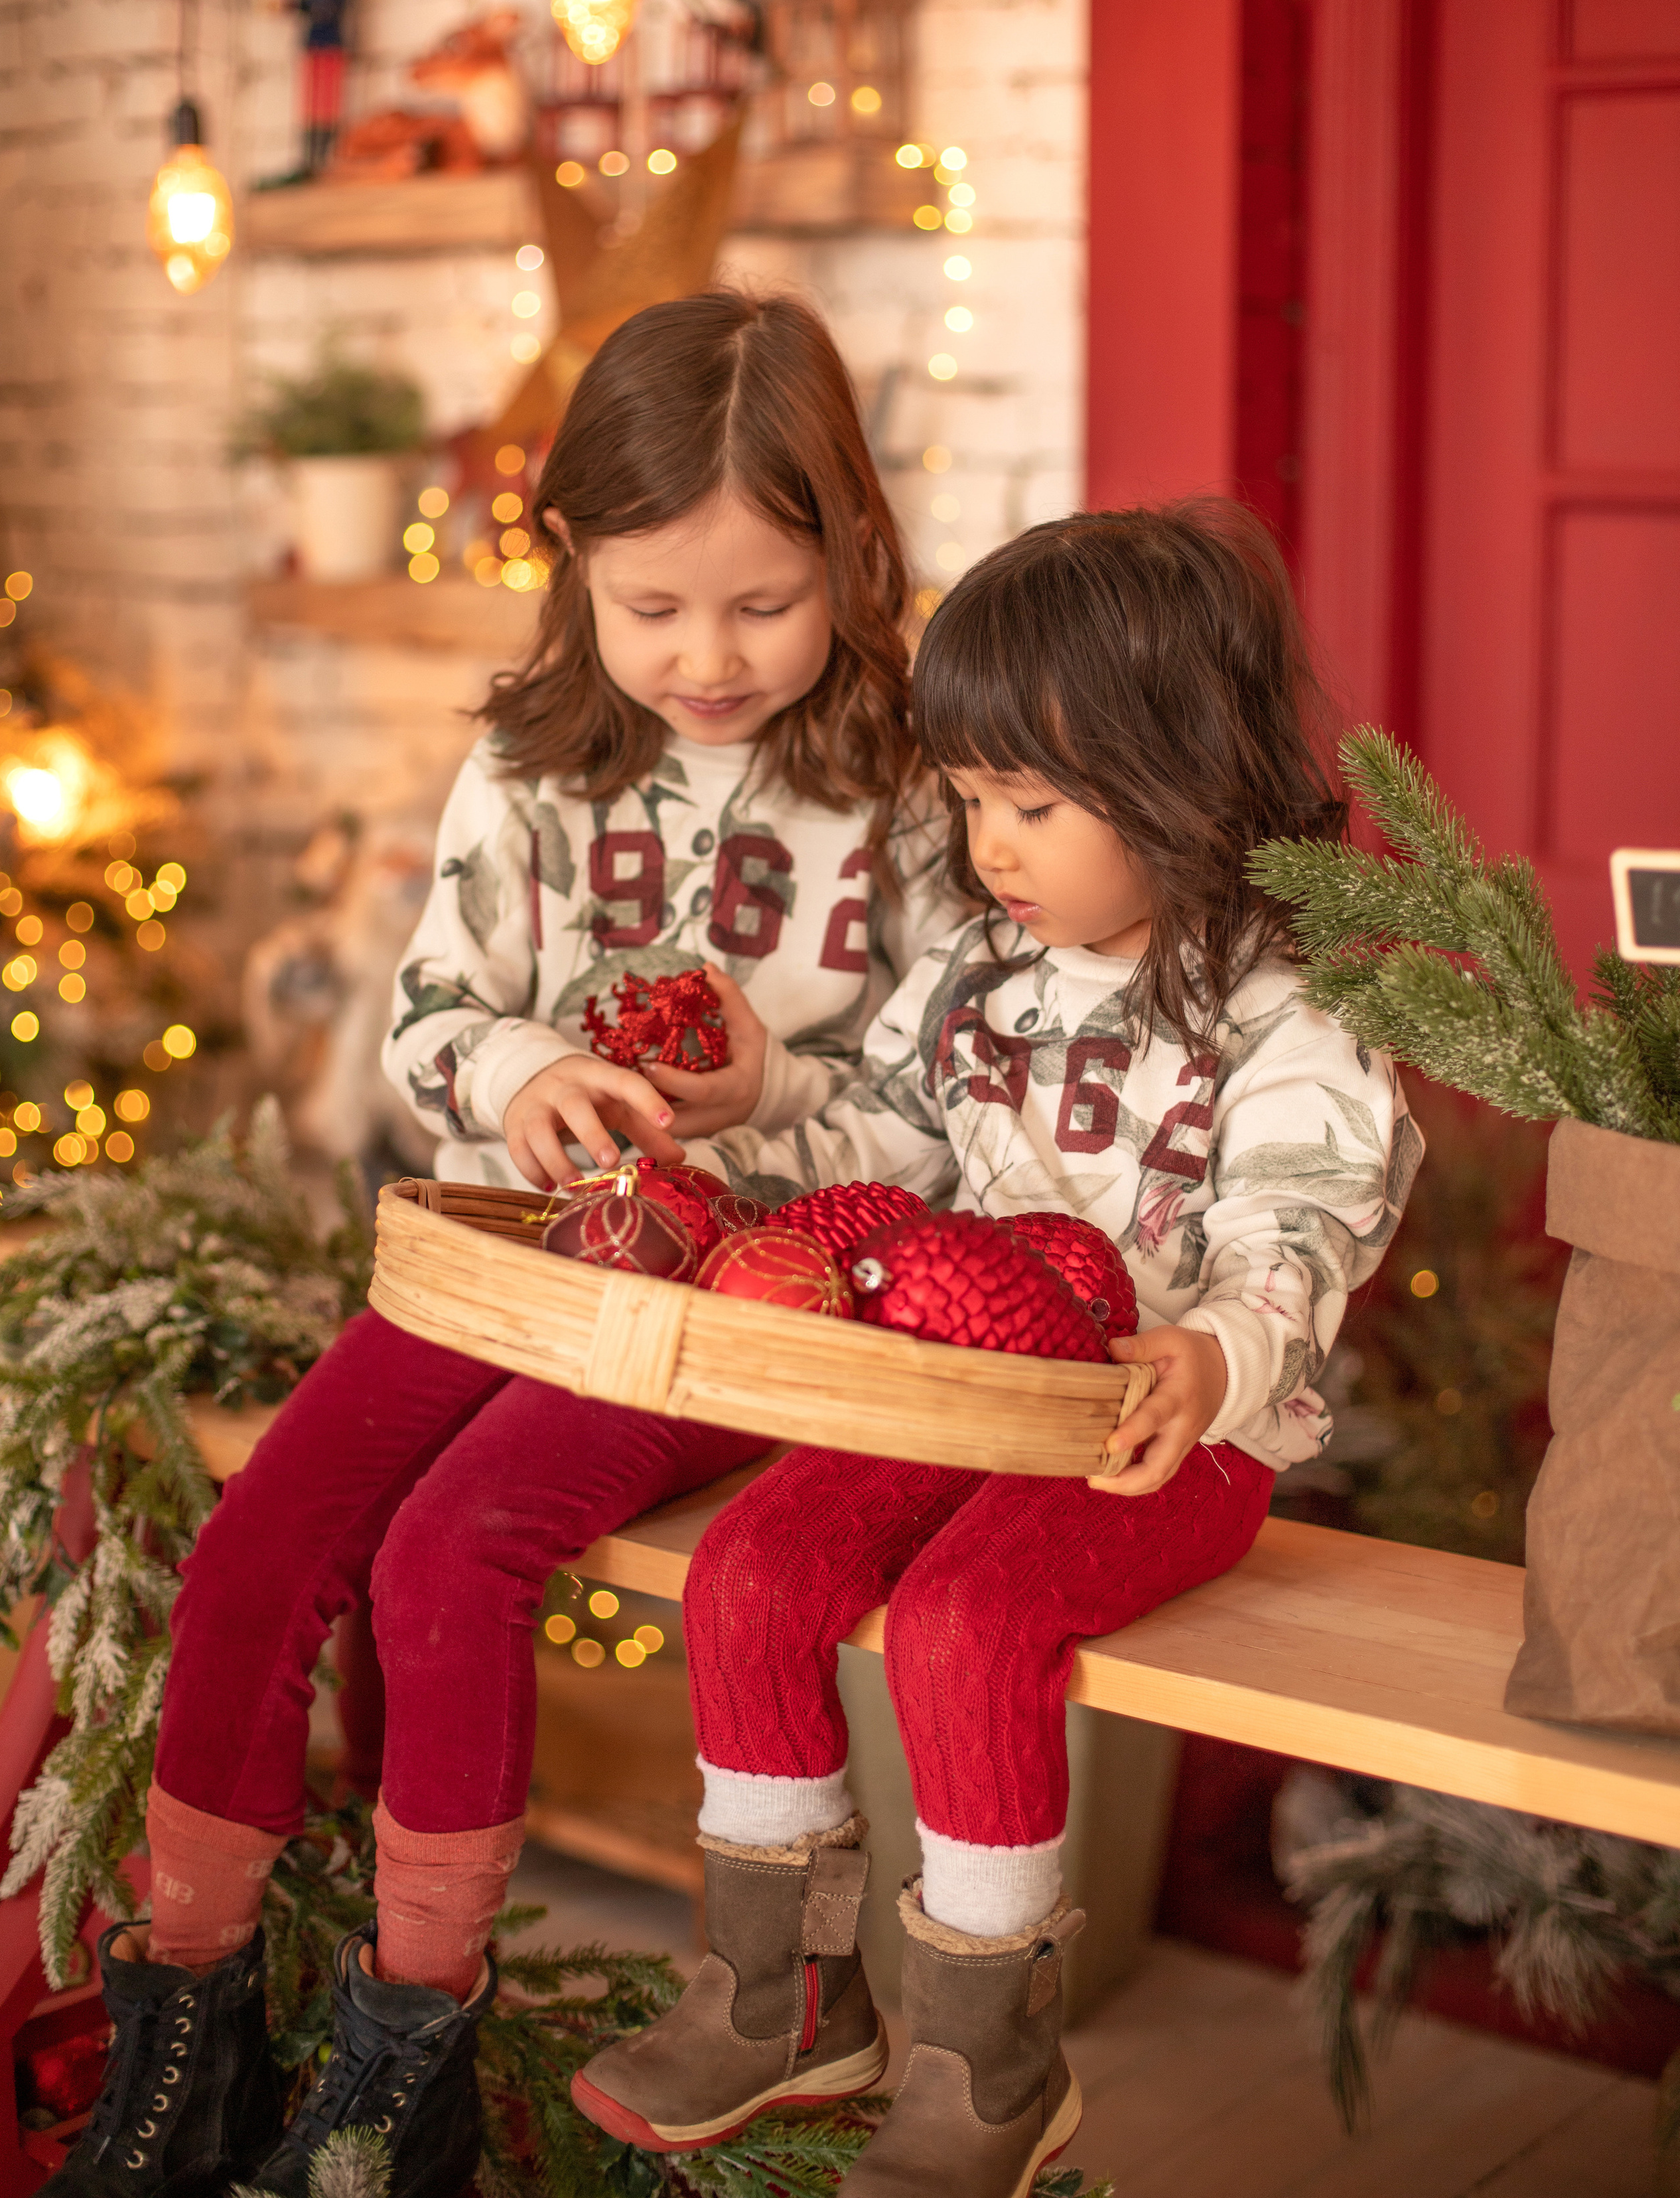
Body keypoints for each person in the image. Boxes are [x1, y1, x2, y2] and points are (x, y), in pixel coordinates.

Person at [50, 290, 955, 2198]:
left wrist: (767, 1091)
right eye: (653, 606)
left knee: (450, 1553)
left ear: (853, 552)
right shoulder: (534, 770)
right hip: (519, 1253)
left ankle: (406, 2070)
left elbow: (954, 1109)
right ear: (571, 566)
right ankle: (186, 2029)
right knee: (263, 1544)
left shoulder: (918, 790)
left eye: (763, 604)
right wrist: (526, 1065)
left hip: (745, 1298)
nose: (706, 657)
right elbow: (430, 1020)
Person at [573, 502, 1423, 2197]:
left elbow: (1300, 1229)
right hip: (956, 1393)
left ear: (1176, 781)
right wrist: (747, 1127)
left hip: (1159, 1432)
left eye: (1028, 806)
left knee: (967, 1622)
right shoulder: (980, 969)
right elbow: (886, 1138)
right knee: (749, 1570)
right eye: (966, 800)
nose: (986, 847)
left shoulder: (1289, 1008)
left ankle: (988, 2060)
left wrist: (1213, 1357)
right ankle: (781, 1994)